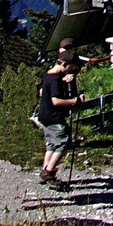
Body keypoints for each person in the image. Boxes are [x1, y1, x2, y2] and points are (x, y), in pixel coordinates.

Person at [38, 39, 86, 188]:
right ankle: (49, 171)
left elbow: (42, 93)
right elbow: (56, 101)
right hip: (54, 116)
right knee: (63, 142)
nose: (68, 71)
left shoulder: (48, 76)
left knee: (51, 143)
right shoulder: (55, 81)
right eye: (68, 68)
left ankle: (45, 170)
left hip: (44, 116)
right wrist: (75, 101)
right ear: (63, 64)